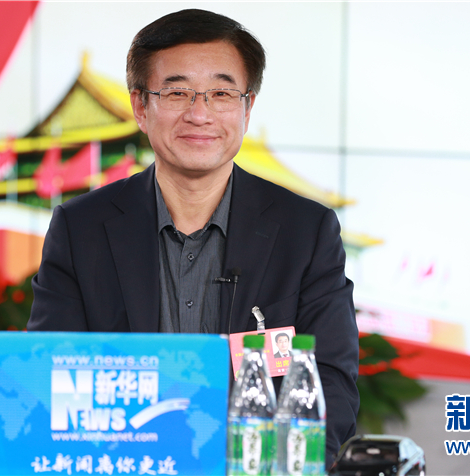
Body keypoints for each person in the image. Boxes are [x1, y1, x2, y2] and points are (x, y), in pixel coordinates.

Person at [28, 8, 359, 465]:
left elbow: (331, 386)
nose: (199, 114)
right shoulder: (80, 228)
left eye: (221, 93)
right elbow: (52, 376)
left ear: (247, 108)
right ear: (141, 107)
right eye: (177, 92)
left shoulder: (306, 231)